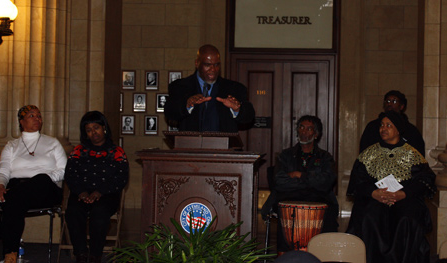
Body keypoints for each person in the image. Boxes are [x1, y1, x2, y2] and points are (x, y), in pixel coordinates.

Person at [346, 111, 436, 263]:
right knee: (369, 216)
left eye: (389, 125)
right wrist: (374, 193)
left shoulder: (412, 154)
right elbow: (358, 181)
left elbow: (424, 180)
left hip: (404, 199)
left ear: (398, 129)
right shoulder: (368, 154)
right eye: (382, 125)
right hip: (375, 199)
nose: (383, 129)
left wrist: (403, 194)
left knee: (407, 218)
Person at [0, 105, 67, 263]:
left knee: (38, 180)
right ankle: (10, 255)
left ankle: (4, 241)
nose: (37, 119)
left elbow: (63, 170)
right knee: (14, 201)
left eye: (39, 116)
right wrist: (0, 186)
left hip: (46, 188)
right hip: (16, 188)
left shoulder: (52, 143)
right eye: (31, 116)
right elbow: (4, 171)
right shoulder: (12, 146)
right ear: (21, 121)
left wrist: (46, 178)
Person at [261, 115, 338, 254]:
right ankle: (285, 256)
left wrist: (299, 175)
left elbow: (326, 183)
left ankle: (321, 255)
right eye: (301, 127)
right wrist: (310, 182)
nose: (304, 132)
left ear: (316, 134)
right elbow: (279, 182)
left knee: (328, 212)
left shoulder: (325, 157)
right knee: (284, 208)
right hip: (289, 201)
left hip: (319, 201)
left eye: (309, 129)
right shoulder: (285, 155)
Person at [65, 111, 129, 263]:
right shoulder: (78, 151)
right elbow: (70, 175)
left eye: (96, 128)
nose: (93, 133)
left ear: (104, 128)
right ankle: (80, 254)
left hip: (107, 194)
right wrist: (81, 192)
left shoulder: (117, 152)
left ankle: (95, 256)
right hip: (81, 194)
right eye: (89, 130)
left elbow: (121, 178)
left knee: (99, 214)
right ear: (85, 133)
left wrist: (100, 192)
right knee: (73, 212)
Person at [165, 44, 255, 132]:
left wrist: (237, 109)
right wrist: (187, 105)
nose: (213, 69)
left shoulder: (235, 88)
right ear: (197, 63)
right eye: (207, 65)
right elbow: (170, 113)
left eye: (216, 65)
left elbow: (249, 116)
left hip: (223, 145)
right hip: (190, 145)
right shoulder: (180, 86)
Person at [360, 90, 425, 156]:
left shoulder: (411, 131)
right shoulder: (372, 127)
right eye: (388, 101)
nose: (390, 104)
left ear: (402, 106)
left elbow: (418, 157)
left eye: (394, 101)